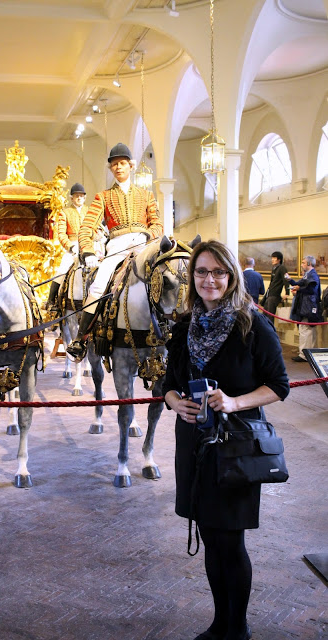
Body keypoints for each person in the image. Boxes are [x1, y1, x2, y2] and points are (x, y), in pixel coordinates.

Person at [163, 240, 289, 640]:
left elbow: (279, 386)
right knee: (210, 538)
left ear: (231, 276)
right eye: (201, 272)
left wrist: (234, 402)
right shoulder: (184, 326)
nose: (210, 280)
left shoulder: (251, 325)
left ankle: (238, 628)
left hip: (235, 448)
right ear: (192, 278)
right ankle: (221, 624)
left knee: (230, 542)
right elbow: (167, 383)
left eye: (218, 272)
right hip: (195, 447)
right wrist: (174, 401)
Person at [67, 142, 163, 360]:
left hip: (144, 244)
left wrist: (149, 235)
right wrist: (89, 252)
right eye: (114, 165)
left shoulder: (146, 195)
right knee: (98, 286)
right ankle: (81, 339)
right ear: (111, 169)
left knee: (167, 277)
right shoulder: (103, 196)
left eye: (122, 163)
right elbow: (87, 227)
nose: (118, 168)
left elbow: (157, 224)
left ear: (131, 166)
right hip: (118, 247)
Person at [45, 183, 88, 315]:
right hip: (73, 246)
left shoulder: (89, 211)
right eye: (77, 196)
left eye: (81, 196)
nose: (79, 198)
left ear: (85, 198)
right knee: (62, 271)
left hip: (88, 245)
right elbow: (61, 234)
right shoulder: (65, 212)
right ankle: (51, 301)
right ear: (72, 198)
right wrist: (70, 246)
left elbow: (96, 228)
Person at [285, 255, 322, 362]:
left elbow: (311, 289)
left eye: (303, 263)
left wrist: (299, 289)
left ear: (309, 264)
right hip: (306, 306)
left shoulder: (312, 274)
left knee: (306, 330)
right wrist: (290, 280)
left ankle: (304, 354)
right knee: (307, 330)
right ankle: (307, 353)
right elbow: (299, 284)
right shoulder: (307, 275)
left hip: (309, 307)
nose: (301, 265)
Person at [261, 251, 290, 323]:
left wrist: (287, 292)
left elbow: (286, 280)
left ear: (279, 259)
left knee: (270, 317)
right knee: (264, 315)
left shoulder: (282, 268)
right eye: (272, 258)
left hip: (274, 295)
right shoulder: (274, 268)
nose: (272, 260)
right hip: (269, 294)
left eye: (274, 258)